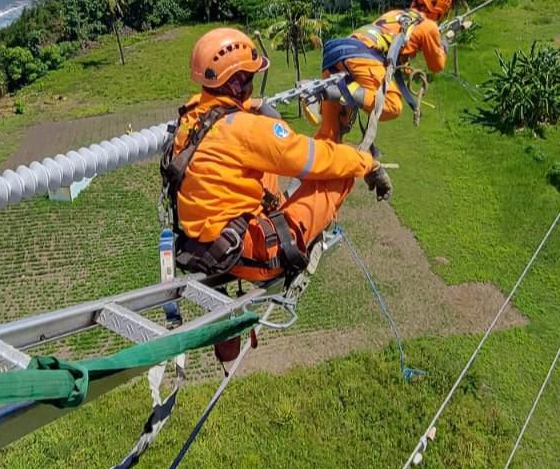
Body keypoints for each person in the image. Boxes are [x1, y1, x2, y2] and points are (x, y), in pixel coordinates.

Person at [162, 27, 390, 283]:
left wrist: (254, 105)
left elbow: (229, 113)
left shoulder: (192, 114)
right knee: (343, 169)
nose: (251, 83)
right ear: (236, 82)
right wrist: (368, 163)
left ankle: (274, 211)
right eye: (248, 77)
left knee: (263, 167)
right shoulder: (248, 130)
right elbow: (316, 160)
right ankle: (289, 235)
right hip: (249, 255)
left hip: (206, 244)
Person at [315, 0, 454, 142]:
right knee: (391, 105)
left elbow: (391, 47)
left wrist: (406, 61)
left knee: (329, 133)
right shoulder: (428, 26)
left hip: (336, 52)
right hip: (362, 55)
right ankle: (337, 91)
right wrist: (443, 45)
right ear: (440, 11)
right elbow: (436, 66)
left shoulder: (395, 14)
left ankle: (323, 154)